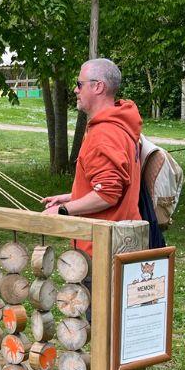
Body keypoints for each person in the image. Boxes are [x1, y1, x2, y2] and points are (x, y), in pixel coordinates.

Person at [42, 58, 143, 255]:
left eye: (79, 84)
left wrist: (63, 210)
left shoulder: (105, 133)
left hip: (102, 249)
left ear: (98, 87)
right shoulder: (118, 125)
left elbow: (107, 194)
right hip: (121, 242)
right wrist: (70, 197)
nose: (75, 90)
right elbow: (113, 185)